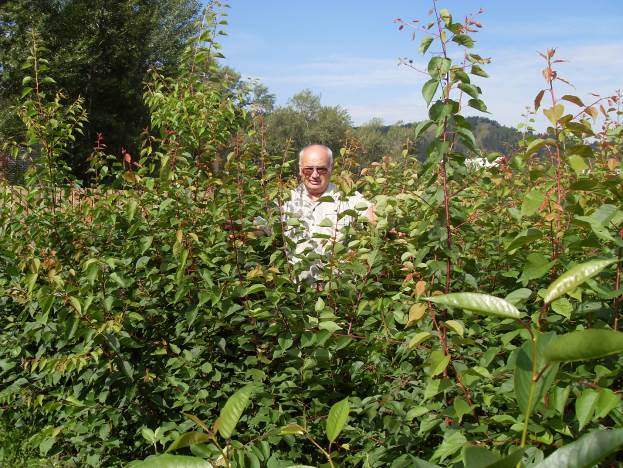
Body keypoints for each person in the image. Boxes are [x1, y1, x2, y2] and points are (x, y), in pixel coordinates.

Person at [282, 144, 375, 283]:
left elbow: (374, 216)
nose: (314, 175)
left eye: (321, 169)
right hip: (296, 296)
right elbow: (259, 227)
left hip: (337, 293)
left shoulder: (347, 198)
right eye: (308, 169)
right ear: (301, 170)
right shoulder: (285, 202)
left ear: (330, 169)